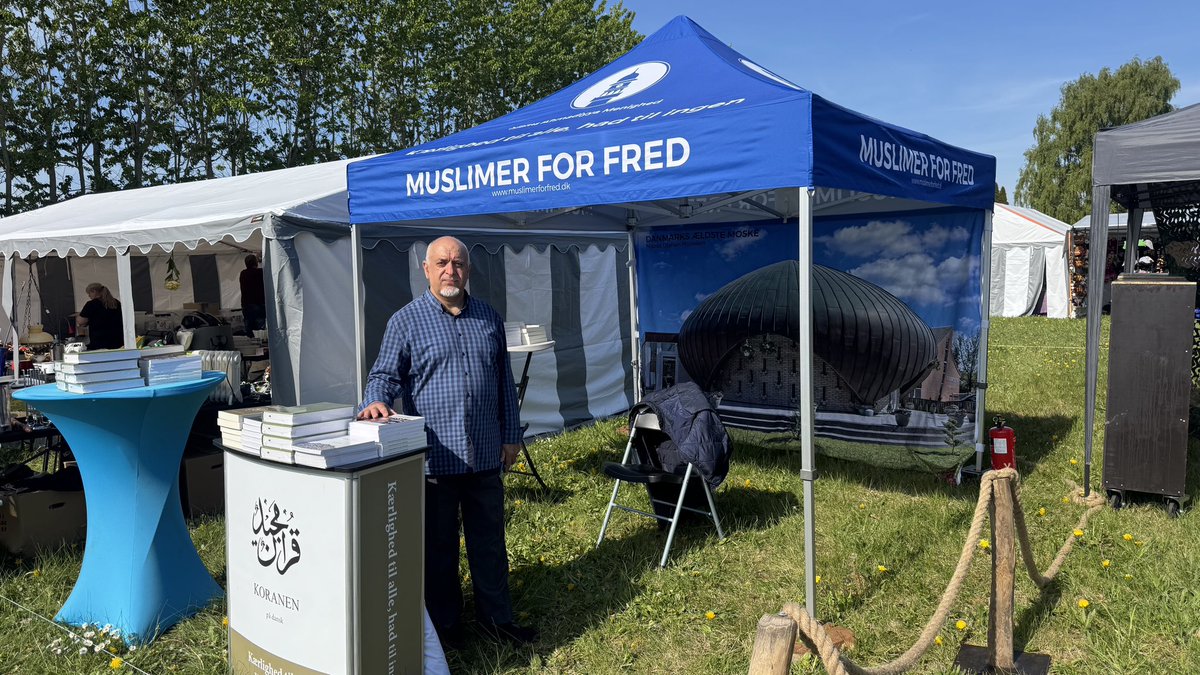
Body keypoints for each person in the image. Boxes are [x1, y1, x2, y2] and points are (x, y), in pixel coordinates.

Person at [359, 236, 537, 649]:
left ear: (468, 270)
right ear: (426, 269)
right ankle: (446, 629)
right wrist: (375, 401)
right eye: (441, 263)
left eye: (457, 263)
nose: (449, 271)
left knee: (489, 542)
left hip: (484, 457)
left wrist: (511, 436)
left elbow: (503, 386)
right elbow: (383, 375)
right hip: (434, 461)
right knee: (438, 550)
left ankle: (497, 621)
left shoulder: (489, 319)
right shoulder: (405, 321)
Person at [76, 283, 123, 350]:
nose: (89, 295)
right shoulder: (116, 303)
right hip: (118, 342)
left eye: (89, 293)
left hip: (100, 342)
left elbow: (80, 321)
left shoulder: (91, 304)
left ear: (94, 291)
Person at [239, 254, 266, 336]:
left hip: (246, 305)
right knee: (260, 330)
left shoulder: (243, 274)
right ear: (256, 263)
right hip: (259, 303)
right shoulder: (260, 272)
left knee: (249, 328)